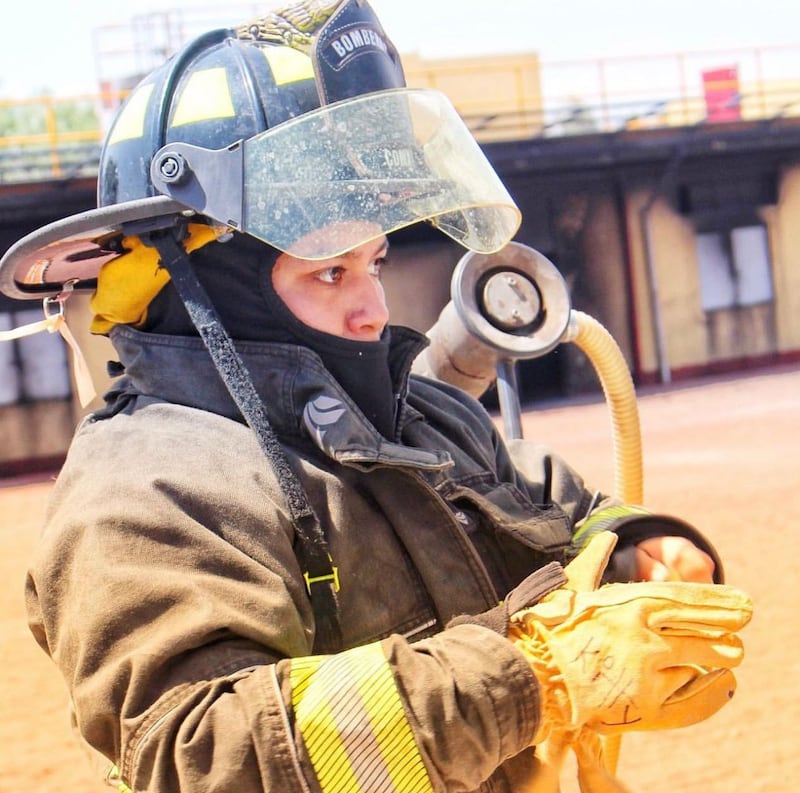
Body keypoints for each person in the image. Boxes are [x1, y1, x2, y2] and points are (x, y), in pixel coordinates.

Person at [2, 2, 751, 792]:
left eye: (375, 261)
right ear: (210, 290)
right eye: (329, 270)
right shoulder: (144, 493)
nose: (373, 308)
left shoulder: (419, 414)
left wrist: (638, 548)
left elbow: (564, 512)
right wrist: (528, 679)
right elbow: (203, 752)